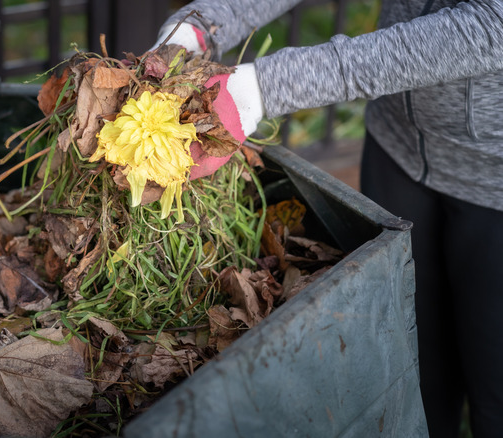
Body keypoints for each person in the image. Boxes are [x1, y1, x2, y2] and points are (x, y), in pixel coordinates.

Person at [153, 1, 503, 437]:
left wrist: (262, 89)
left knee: (495, 386)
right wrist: (201, 25)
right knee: (408, 356)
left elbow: (492, 23)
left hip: (495, 184)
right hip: (396, 149)